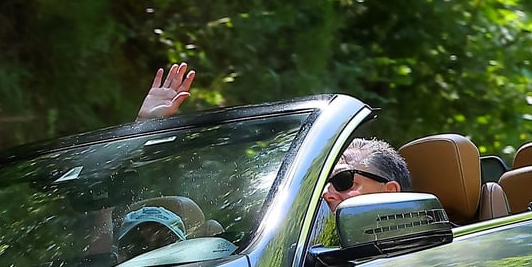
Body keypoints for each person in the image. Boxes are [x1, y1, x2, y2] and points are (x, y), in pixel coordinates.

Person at [134, 62, 409, 209]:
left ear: (390, 193)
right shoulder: (286, 246)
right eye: (321, 182)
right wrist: (142, 130)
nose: (325, 193)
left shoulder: (407, 264)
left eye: (342, 180)